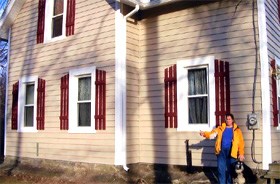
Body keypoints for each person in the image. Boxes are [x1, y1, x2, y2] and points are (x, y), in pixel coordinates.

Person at [199, 113, 245, 184]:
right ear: (225, 120)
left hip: (232, 152)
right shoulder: (220, 128)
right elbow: (212, 134)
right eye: (227, 119)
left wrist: (241, 153)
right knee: (221, 170)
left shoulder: (237, 130)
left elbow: (241, 143)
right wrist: (204, 134)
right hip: (221, 152)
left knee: (230, 171)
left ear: (232, 120)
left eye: (229, 119)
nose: (228, 120)